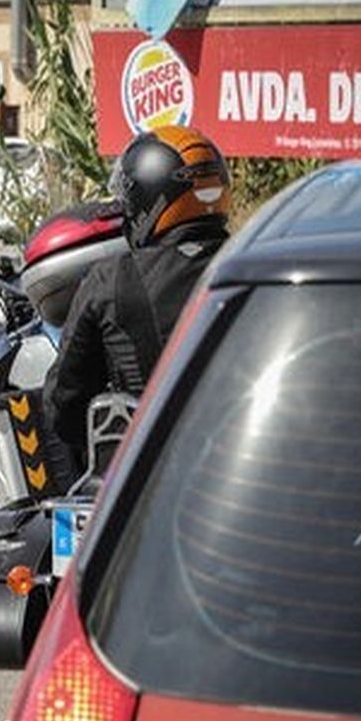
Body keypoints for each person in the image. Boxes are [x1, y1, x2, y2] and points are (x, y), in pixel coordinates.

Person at [43, 125, 232, 468]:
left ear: (147, 198)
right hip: (248, 467)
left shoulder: (113, 279)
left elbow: (63, 408)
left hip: (148, 480)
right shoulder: (260, 265)